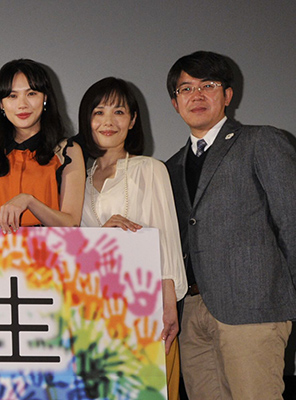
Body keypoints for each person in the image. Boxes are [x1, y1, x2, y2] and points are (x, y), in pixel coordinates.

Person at [165, 51, 296, 400]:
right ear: (175, 103)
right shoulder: (171, 167)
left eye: (207, 85)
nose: (196, 95)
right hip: (192, 313)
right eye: (186, 89)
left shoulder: (261, 141)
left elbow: (291, 220)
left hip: (253, 308)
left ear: (227, 95)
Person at [76, 77, 187, 399]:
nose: (108, 122)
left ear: (133, 120)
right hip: (92, 309)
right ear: (87, 120)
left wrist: (168, 306)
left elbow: (166, 239)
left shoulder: (149, 169)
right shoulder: (76, 177)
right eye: (99, 112)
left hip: (144, 306)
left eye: (119, 112)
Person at [0, 59, 84, 233]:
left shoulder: (66, 151)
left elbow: (71, 224)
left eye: (31, 93)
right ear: (1, 103)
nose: (22, 105)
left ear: (45, 98)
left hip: (49, 248)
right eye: (12, 96)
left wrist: (29, 201)